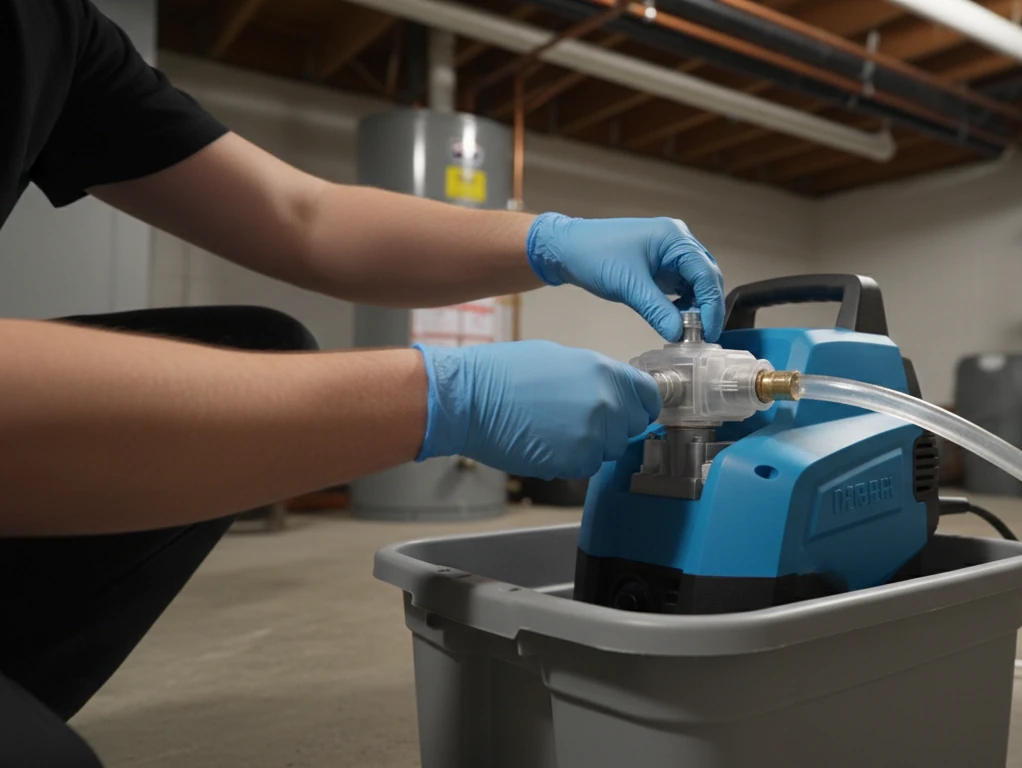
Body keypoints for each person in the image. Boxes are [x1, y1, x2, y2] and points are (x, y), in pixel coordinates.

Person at [0, 1, 725, 764]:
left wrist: (550, 241)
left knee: (263, 346)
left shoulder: (52, 26)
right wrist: (440, 398)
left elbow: (302, 215)